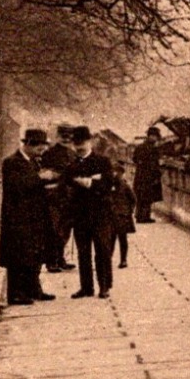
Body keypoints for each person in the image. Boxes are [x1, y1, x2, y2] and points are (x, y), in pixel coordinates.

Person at [0, 128, 58, 305]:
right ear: (29, 144)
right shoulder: (11, 162)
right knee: (18, 255)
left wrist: (47, 183)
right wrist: (42, 179)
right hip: (18, 217)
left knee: (35, 253)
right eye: (39, 147)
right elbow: (19, 186)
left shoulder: (33, 162)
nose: (42, 151)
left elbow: (34, 184)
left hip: (34, 216)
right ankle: (16, 293)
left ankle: (33, 289)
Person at [64, 125, 115, 299]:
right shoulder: (71, 165)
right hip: (80, 216)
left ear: (90, 141)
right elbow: (66, 185)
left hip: (100, 214)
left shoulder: (103, 161)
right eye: (76, 143)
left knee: (102, 250)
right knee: (83, 252)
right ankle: (86, 287)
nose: (79, 147)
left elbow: (108, 184)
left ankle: (104, 286)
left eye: (82, 143)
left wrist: (90, 183)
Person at [40, 125, 77, 272]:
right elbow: (45, 173)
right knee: (53, 229)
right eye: (63, 135)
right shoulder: (49, 153)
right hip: (54, 197)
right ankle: (51, 261)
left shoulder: (73, 154)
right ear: (58, 136)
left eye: (69, 135)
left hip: (69, 197)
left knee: (66, 229)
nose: (66, 138)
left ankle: (61, 259)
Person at [109, 159, 138, 269]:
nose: (114, 174)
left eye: (116, 172)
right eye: (113, 172)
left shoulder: (125, 186)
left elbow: (134, 199)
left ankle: (123, 260)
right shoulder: (108, 186)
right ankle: (108, 259)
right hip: (111, 216)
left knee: (122, 239)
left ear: (121, 173)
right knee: (110, 239)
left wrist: (129, 211)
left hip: (122, 216)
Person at [132, 125, 163, 223]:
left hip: (139, 175)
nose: (156, 139)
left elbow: (134, 159)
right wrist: (157, 175)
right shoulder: (153, 149)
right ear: (150, 136)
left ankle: (139, 216)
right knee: (147, 197)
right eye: (155, 137)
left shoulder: (139, 147)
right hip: (148, 176)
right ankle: (144, 218)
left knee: (140, 196)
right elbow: (155, 164)